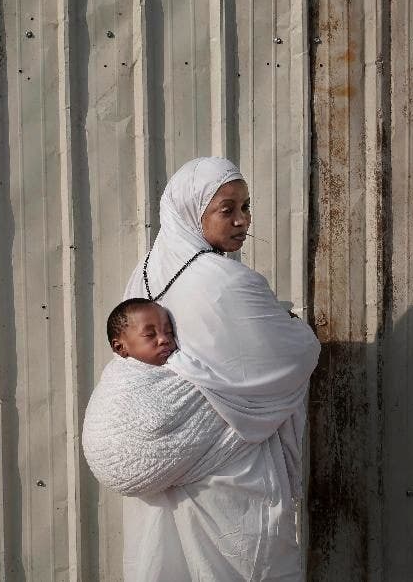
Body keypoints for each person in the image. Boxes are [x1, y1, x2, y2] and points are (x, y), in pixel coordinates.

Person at [120, 156, 320, 581]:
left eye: (246, 207)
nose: (242, 220)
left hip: (167, 466)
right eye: (226, 209)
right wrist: (294, 326)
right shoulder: (228, 282)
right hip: (228, 477)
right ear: (192, 212)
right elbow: (297, 353)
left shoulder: (143, 275)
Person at [106, 298, 176, 366]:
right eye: (150, 334)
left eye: (168, 331)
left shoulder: (178, 364)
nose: (164, 339)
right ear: (120, 347)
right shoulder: (121, 376)